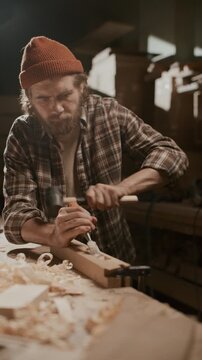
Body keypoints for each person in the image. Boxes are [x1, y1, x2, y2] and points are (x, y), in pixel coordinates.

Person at [2, 36, 189, 264]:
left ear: (81, 87)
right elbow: (14, 214)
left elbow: (172, 155)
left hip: (114, 255)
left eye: (64, 95)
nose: (57, 108)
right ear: (29, 98)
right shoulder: (23, 133)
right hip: (55, 263)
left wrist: (122, 188)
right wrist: (52, 233)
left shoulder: (108, 113)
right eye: (43, 99)